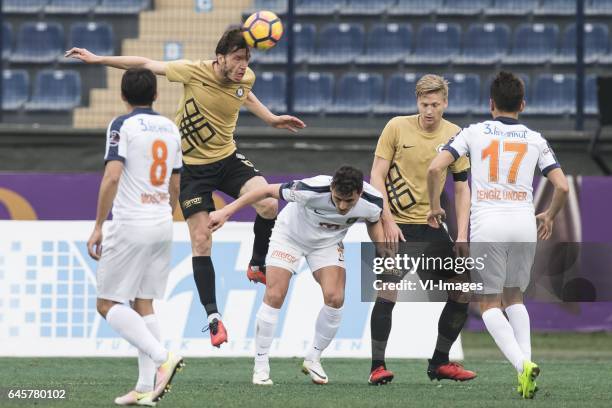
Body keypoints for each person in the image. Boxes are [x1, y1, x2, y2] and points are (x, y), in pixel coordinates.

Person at [69, 28, 306, 347]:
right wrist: (98, 59)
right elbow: (145, 62)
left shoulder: (245, 77)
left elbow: (244, 94)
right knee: (201, 238)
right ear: (220, 57)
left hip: (227, 159)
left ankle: (256, 263)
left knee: (268, 204)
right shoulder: (192, 71)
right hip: (192, 168)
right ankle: (213, 318)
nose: (242, 66)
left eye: (246, 59)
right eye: (237, 58)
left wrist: (271, 119)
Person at [427, 71, 569, 398]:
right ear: (522, 104)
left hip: (489, 222)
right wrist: (549, 214)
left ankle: (523, 366)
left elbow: (436, 167)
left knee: (489, 303)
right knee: (515, 297)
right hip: (523, 223)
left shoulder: (474, 132)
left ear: (491, 104)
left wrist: (435, 206)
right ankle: (526, 369)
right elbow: (561, 186)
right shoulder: (535, 138)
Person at [208, 166, 385, 385]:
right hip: (289, 236)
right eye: (338, 199)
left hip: (327, 244)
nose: (342, 206)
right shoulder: (310, 189)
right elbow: (263, 191)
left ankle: (313, 358)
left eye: (349, 202)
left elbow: (374, 219)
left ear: (360, 192)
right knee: (275, 295)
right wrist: (226, 211)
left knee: (335, 298)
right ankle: (261, 365)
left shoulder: (372, 201)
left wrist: (382, 247)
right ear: (331, 188)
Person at [368, 74, 476, 385]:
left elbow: (461, 188)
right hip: (396, 225)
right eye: (423, 104)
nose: (429, 110)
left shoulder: (456, 135)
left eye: (435, 104)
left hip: (431, 226)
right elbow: (377, 175)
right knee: (388, 290)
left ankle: (440, 362)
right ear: (417, 102)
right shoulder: (396, 127)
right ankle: (377, 366)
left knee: (462, 287)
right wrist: (386, 218)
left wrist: (462, 234)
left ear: (445, 103)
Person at [87, 68, 185, 406]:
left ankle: (162, 358)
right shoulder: (171, 128)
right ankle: (145, 387)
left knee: (107, 303)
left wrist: (99, 224)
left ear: (123, 96)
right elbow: (175, 184)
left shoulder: (122, 125)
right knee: (143, 302)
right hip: (162, 223)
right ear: (156, 95)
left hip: (131, 224)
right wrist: (166, 214)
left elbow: (112, 177)